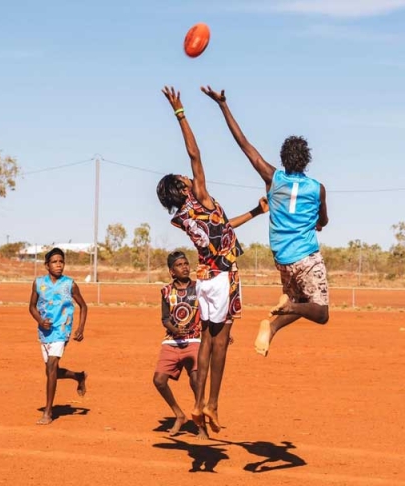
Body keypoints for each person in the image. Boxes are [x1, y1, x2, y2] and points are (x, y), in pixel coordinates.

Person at [156, 86, 267, 433]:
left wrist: (254, 212)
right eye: (184, 178)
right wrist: (180, 112)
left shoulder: (186, 216)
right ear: (183, 187)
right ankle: (211, 404)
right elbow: (195, 153)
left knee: (206, 339)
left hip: (205, 278)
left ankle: (199, 403)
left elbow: (222, 227)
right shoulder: (199, 195)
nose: (190, 176)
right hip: (222, 276)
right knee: (221, 344)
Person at [202, 86, 330, 357]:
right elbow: (324, 221)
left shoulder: (273, 178)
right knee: (319, 312)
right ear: (306, 160)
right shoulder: (318, 188)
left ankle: (272, 326)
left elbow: (243, 143)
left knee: (298, 299)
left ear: (283, 159)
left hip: (282, 259)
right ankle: (289, 306)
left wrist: (223, 105)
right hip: (306, 256)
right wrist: (316, 223)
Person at [28, 247, 88, 425]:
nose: (59, 265)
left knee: (52, 366)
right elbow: (31, 306)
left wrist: (80, 328)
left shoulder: (70, 284)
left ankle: (48, 412)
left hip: (62, 330)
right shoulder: (38, 283)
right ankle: (78, 376)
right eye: (54, 262)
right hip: (45, 332)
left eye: (61, 261)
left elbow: (84, 306)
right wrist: (39, 320)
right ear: (47, 265)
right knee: (50, 371)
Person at [154, 251, 208, 439]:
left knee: (195, 381)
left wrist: (223, 334)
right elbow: (165, 318)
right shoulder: (166, 292)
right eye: (179, 265)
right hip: (172, 340)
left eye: (186, 263)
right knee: (159, 380)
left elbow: (211, 311)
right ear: (172, 271)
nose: (185, 267)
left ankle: (201, 425)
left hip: (195, 339)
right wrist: (175, 330)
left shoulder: (199, 288)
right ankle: (179, 414)